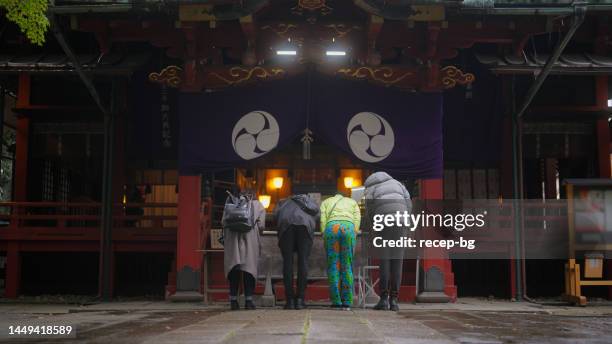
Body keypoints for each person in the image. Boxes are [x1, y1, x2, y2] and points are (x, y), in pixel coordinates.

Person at [363, 172, 411, 311]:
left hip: (383, 222)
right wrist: (406, 222)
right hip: (401, 221)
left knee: (384, 260)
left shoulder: (371, 189)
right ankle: (394, 300)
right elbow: (408, 204)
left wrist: (374, 226)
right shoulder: (398, 184)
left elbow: (369, 210)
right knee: (397, 261)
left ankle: (383, 299)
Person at [222, 189, 265, 310]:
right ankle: (248, 301)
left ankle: (233, 301)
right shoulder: (258, 205)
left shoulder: (230, 203)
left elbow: (223, 222)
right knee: (248, 269)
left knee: (234, 268)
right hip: (249, 239)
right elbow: (261, 225)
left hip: (232, 240)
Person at [275, 194, 320, 310]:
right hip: (305, 227)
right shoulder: (310, 202)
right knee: (303, 262)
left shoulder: (283, 202)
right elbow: (318, 215)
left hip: (286, 227)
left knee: (287, 262)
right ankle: (300, 299)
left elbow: (276, 216)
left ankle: (289, 301)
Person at [320, 193, 361, 310]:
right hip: (348, 228)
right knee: (347, 266)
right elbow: (357, 217)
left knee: (333, 266)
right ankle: (347, 301)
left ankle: (336, 301)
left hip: (331, 228)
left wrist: (324, 232)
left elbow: (323, 219)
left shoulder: (326, 202)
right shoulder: (352, 202)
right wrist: (355, 231)